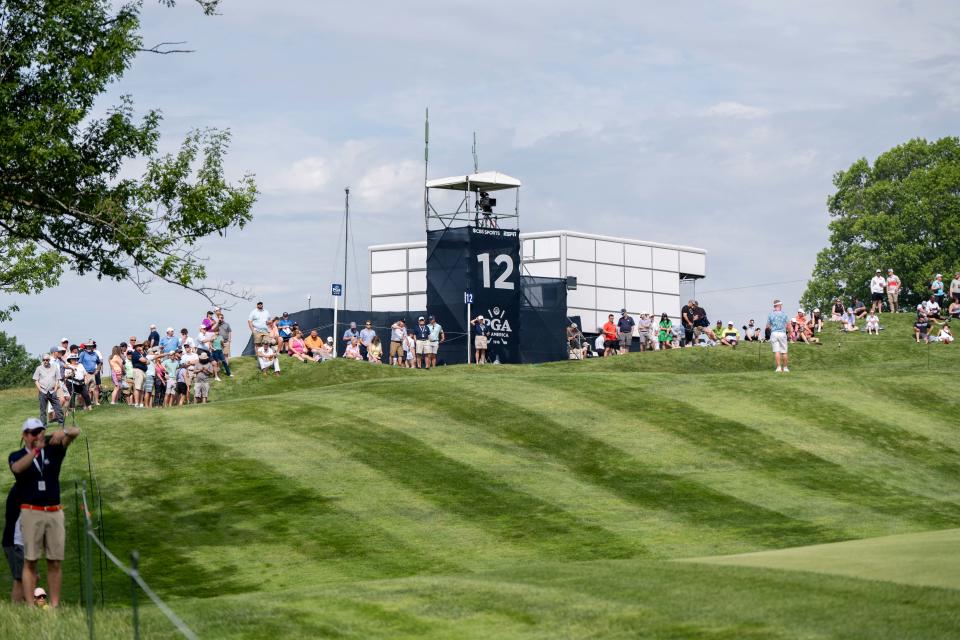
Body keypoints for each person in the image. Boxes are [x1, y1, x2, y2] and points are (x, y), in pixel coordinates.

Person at [9, 417, 81, 607]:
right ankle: (31, 607)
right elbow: (17, 469)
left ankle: (55, 606)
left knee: (55, 561)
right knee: (30, 561)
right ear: (25, 436)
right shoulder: (17, 455)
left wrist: (63, 432)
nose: (37, 435)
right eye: (32, 433)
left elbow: (76, 432)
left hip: (54, 511)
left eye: (40, 431)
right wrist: (36, 451)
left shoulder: (53, 449)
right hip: (31, 511)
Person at [3, 485, 24, 602]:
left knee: (31, 577)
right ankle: (16, 609)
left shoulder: (21, 488)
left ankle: (28, 607)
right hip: (15, 542)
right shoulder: (20, 490)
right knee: (20, 578)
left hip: (19, 541)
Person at [33, 354, 64, 427]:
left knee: (58, 408)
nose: (45, 361)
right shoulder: (39, 368)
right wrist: (40, 389)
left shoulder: (54, 367)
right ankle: (43, 425)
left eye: (47, 360)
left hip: (52, 391)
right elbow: (35, 380)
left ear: (49, 360)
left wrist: (56, 389)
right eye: (44, 360)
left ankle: (61, 423)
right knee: (43, 410)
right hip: (43, 392)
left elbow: (57, 379)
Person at [766, 299, 790, 372]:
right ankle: (785, 368)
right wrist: (790, 333)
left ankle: (778, 368)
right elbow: (788, 325)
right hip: (782, 333)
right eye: (781, 305)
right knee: (784, 352)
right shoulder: (784, 314)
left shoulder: (770, 314)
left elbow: (767, 326)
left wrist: (772, 329)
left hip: (774, 333)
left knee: (777, 351)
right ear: (779, 305)